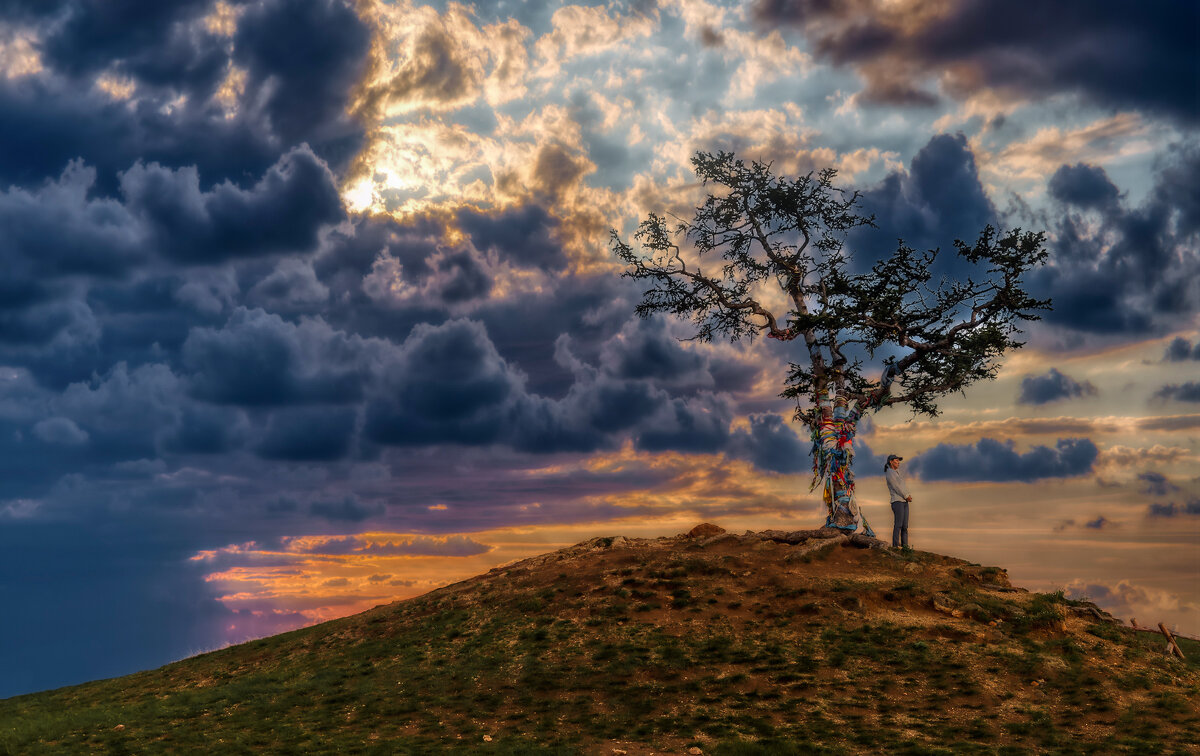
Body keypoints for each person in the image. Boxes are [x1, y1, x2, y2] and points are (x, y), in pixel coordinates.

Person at [884, 454, 912, 548]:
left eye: (899, 460)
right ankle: (895, 546)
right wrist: (906, 495)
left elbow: (902, 486)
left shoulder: (897, 473)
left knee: (905, 526)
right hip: (897, 501)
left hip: (904, 501)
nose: (898, 462)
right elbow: (897, 487)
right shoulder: (890, 473)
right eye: (896, 460)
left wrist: (907, 495)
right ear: (891, 462)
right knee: (898, 525)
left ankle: (905, 547)